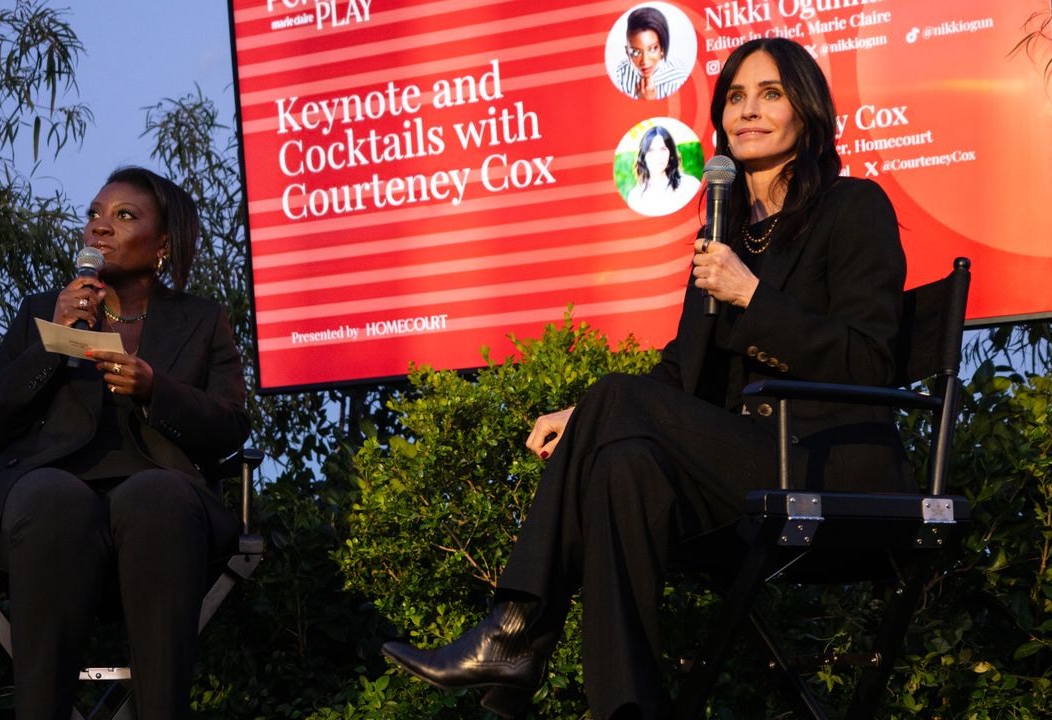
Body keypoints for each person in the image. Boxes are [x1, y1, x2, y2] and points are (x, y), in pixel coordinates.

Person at [381, 37, 911, 719]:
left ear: (806, 113)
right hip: (743, 467)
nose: (747, 110)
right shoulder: (724, 235)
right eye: (735, 97)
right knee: (622, 467)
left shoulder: (853, 207)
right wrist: (586, 421)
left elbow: (870, 361)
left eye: (770, 94)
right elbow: (680, 374)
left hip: (830, 465)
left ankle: (516, 635)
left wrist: (754, 300)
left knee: (618, 415)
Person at [0, 166, 250, 720]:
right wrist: (52, 340)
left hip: (159, 504)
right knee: (52, 497)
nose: (100, 229)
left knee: (157, 496)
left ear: (163, 243)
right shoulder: (44, 310)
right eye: (94, 214)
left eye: (123, 216)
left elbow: (230, 426)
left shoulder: (203, 319)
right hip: (44, 496)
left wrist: (156, 389)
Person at [613, 6, 689, 100]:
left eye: (653, 49)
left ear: (662, 48)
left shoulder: (680, 79)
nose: (645, 61)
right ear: (627, 52)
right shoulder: (620, 75)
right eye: (636, 52)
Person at [625, 125, 700, 216]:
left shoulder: (690, 185)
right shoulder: (635, 198)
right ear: (643, 156)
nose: (657, 156)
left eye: (663, 149)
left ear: (671, 154)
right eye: (651, 150)